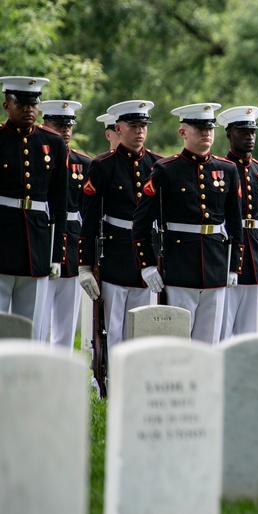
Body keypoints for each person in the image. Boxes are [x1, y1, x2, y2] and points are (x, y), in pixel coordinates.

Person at [132, 103, 243, 344]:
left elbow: (235, 223)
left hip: (215, 264)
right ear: (183, 132)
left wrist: (234, 265)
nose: (206, 133)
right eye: (199, 128)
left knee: (210, 343)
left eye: (210, 128)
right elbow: (141, 222)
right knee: (178, 342)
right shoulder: (165, 169)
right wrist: (147, 264)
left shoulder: (227, 170)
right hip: (179, 264)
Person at [79, 100, 162, 348]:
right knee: (112, 329)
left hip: (146, 253)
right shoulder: (103, 165)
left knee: (141, 329)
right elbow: (90, 219)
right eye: (133, 125)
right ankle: (111, 380)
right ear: (118, 128)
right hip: (114, 253)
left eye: (143, 126)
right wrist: (85, 264)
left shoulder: (158, 165)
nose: (139, 131)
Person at [0, 76, 67, 340]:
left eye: (33, 103)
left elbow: (59, 202)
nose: (29, 109)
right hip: (3, 238)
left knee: (31, 326)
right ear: (7, 104)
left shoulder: (52, 142)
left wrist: (56, 255)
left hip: (37, 243)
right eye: (21, 103)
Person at [38, 99, 91, 348]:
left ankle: (62, 371)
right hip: (43, 238)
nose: (65, 130)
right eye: (58, 124)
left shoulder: (83, 163)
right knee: (39, 318)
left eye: (69, 125)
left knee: (66, 323)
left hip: (72, 242)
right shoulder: (38, 156)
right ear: (45, 123)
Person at [218, 106, 258, 339]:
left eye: (252, 132)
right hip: (229, 252)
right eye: (243, 132)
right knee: (223, 327)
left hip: (255, 254)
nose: (249, 137)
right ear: (230, 135)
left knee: (249, 328)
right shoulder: (220, 168)